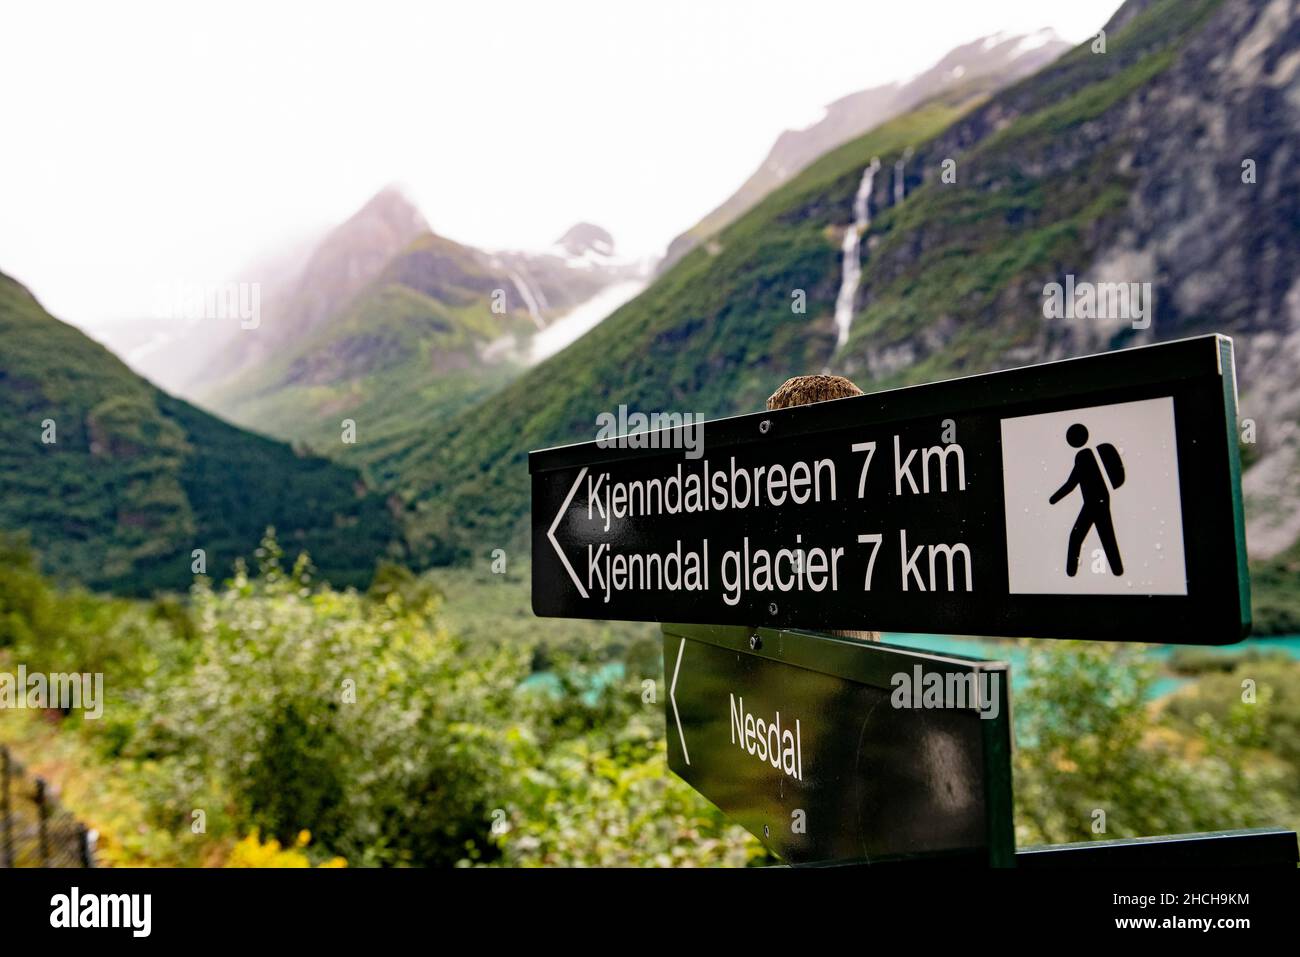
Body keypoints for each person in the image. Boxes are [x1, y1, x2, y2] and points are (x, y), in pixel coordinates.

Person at [1048, 423, 1124, 576]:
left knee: (1078, 536)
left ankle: (1071, 572)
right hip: (1101, 500)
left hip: (1092, 503)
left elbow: (1071, 484)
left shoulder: (1082, 457)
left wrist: (1053, 499)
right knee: (1106, 536)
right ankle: (1117, 570)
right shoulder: (1093, 453)